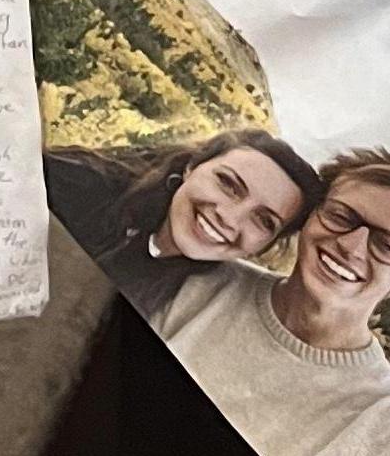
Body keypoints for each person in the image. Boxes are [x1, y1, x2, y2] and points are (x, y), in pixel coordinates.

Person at [153, 150, 390, 456]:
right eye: (341, 216)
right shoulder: (199, 280)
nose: (351, 247)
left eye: (388, 245)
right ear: (308, 218)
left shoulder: (382, 425)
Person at [48, 130, 325, 319]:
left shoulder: (200, 304)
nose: (228, 218)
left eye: (264, 221)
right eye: (228, 184)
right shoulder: (75, 184)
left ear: (264, 246)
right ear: (192, 166)